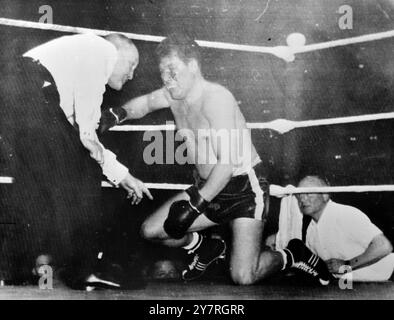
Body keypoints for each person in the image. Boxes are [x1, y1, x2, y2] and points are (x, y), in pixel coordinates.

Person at [99, 33, 331, 285]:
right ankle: (204, 247)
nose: (167, 78)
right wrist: (117, 114)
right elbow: (143, 104)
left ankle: (292, 255)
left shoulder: (216, 99)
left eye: (172, 69)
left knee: (244, 275)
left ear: (193, 66)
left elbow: (227, 165)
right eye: (162, 71)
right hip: (207, 188)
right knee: (150, 230)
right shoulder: (172, 95)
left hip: (242, 189)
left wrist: (195, 206)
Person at [0, 33, 152, 288]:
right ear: (118, 52)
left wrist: (118, 172)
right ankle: (84, 269)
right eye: (132, 64)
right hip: (29, 86)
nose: (132, 75)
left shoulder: (72, 63)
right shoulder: (101, 49)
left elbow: (74, 134)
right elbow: (87, 138)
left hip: (12, 91)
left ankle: (13, 268)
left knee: (33, 186)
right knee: (85, 171)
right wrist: (118, 171)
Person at [295, 175, 394, 282]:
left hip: (388, 278)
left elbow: (384, 246)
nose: (302, 198)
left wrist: (347, 265)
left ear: (325, 195)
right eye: (299, 194)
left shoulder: (345, 214)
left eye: (308, 193)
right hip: (354, 286)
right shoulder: (311, 230)